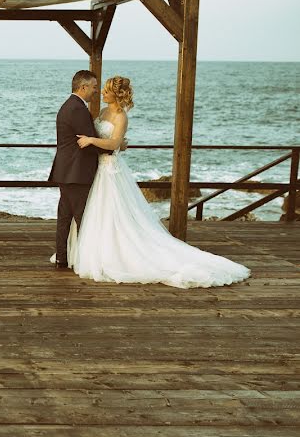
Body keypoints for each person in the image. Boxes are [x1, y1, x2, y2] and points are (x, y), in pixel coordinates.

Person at [67, 75, 250, 288]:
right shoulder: (102, 112)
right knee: (98, 213)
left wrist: (92, 140)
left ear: (116, 94)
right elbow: (111, 141)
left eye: (106, 90)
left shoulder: (121, 116)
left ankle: (118, 255)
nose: (102, 93)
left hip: (110, 169)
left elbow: (114, 142)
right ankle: (99, 251)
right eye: (102, 89)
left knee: (115, 214)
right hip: (99, 168)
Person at [48, 70, 110, 269]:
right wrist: (113, 147)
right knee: (83, 217)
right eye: (93, 87)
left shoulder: (70, 106)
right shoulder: (77, 109)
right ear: (83, 87)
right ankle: (86, 261)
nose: (95, 91)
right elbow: (89, 140)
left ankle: (62, 257)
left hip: (67, 171)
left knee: (65, 216)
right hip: (76, 172)